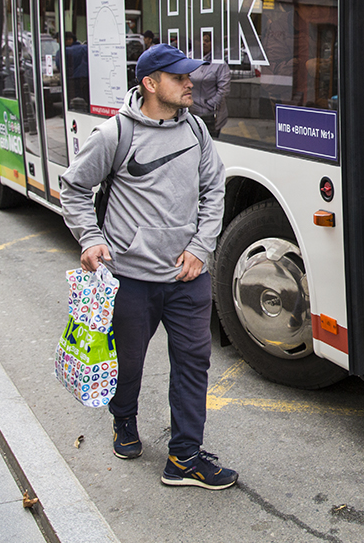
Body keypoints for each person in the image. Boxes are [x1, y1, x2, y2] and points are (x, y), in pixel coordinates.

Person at [60, 44, 236, 490]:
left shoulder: (196, 129)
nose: (189, 83)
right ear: (151, 83)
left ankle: (184, 457)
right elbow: (74, 188)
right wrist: (91, 238)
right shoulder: (116, 134)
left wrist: (201, 248)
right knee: (128, 364)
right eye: (179, 78)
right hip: (130, 280)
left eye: (189, 76)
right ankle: (124, 420)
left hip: (186, 277)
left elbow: (215, 191)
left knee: (194, 364)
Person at [190, 32, 232, 139]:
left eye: (207, 41)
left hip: (210, 115)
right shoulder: (189, 59)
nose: (203, 43)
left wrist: (209, 105)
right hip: (191, 112)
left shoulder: (219, 63)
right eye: (200, 40)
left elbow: (224, 90)